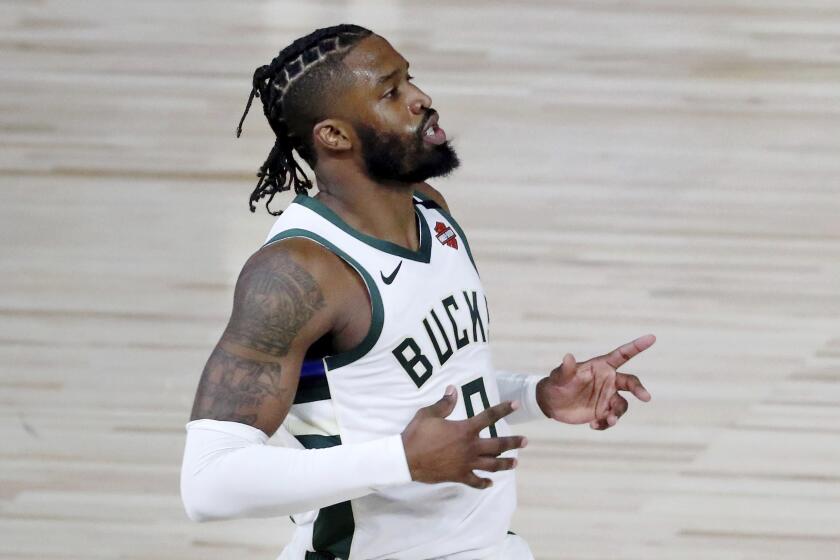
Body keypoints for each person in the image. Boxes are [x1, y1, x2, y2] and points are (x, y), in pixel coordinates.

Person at [180, 24, 656, 560]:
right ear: (334, 136)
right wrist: (399, 462)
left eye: (410, 79)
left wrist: (537, 395)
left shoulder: (429, 210)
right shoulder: (298, 273)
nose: (421, 99)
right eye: (391, 92)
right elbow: (208, 482)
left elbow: (409, 386)